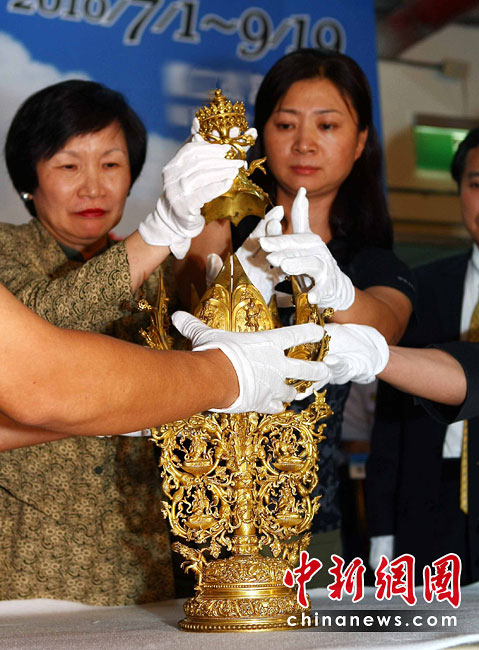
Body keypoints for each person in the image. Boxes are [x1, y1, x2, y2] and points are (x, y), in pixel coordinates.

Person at [0, 78, 257, 606]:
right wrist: (158, 232)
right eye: (69, 166)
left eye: (111, 164)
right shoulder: (7, 248)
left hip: (144, 562)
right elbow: (39, 332)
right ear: (30, 179)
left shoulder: (159, 273)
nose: (93, 187)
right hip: (31, 565)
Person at [176, 49, 416, 573]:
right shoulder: (227, 232)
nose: (304, 143)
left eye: (327, 125)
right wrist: (206, 217)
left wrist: (339, 293)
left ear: (360, 142)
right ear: (262, 134)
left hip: (309, 515)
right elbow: (179, 314)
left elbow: (387, 326)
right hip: (198, 506)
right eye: (286, 124)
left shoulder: (372, 260)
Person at [366, 127, 479, 585]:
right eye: (477, 184)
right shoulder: (419, 288)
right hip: (428, 506)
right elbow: (390, 420)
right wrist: (382, 532)